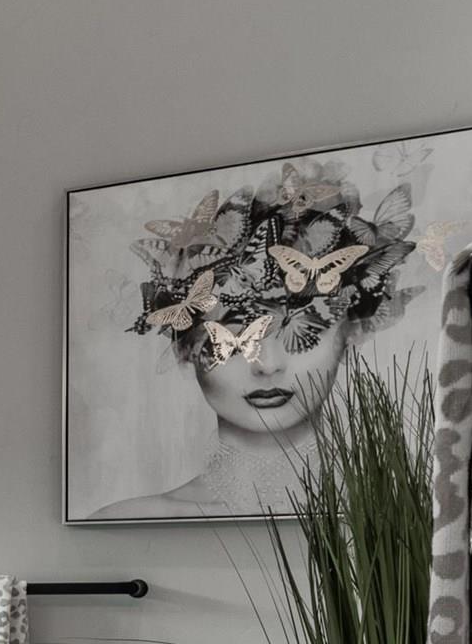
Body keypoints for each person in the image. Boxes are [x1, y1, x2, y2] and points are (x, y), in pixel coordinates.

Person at [97, 159, 438, 518]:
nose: (267, 364)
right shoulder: (128, 519)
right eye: (232, 332)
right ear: (185, 347)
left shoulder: (406, 517)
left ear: (349, 334)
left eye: (305, 328)